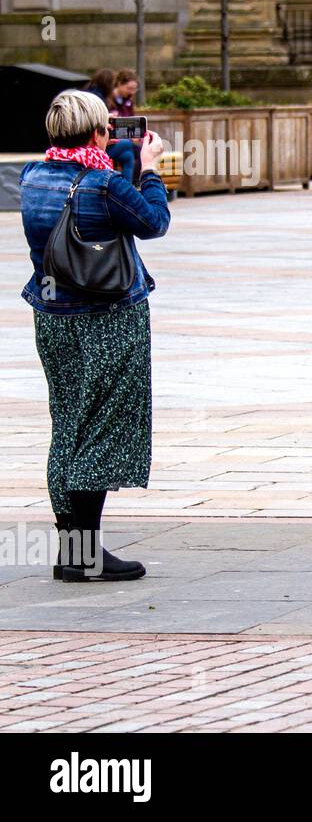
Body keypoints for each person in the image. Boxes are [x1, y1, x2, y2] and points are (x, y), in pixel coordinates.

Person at [19, 90, 170, 582]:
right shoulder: (103, 184)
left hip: (52, 315)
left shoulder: (32, 177)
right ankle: (87, 555)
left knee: (67, 423)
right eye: (107, 127)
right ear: (96, 132)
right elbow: (154, 222)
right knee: (102, 426)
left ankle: (72, 550)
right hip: (107, 317)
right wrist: (148, 167)